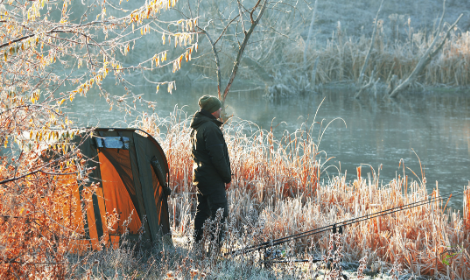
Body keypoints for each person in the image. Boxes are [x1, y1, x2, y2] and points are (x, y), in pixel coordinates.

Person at [190, 95, 231, 245]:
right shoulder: (211, 128)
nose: (221, 110)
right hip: (212, 179)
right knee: (220, 213)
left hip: (201, 176)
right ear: (213, 110)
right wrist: (227, 178)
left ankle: (197, 244)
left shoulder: (198, 127)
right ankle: (215, 249)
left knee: (202, 212)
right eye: (219, 108)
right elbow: (218, 158)